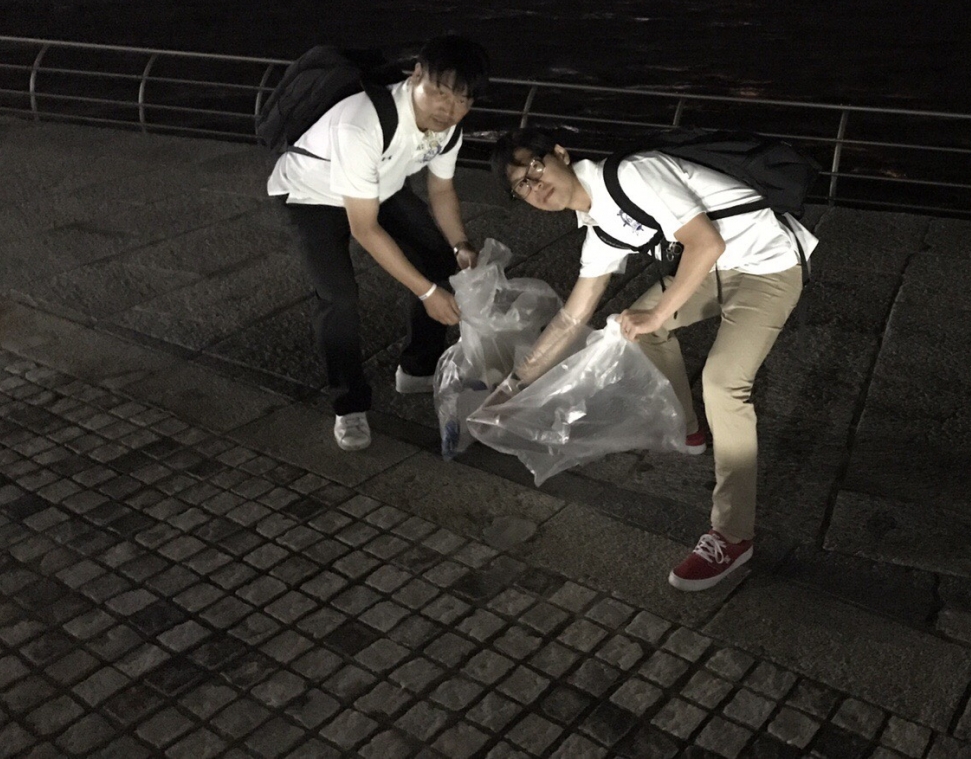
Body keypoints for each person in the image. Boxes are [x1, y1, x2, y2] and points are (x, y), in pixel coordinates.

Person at [488, 129, 816, 591]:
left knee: (723, 384)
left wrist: (657, 313)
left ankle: (732, 535)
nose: (536, 186)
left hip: (768, 265)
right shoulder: (599, 227)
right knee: (638, 330)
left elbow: (706, 243)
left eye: (536, 168)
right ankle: (690, 429)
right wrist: (512, 388)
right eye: (521, 185)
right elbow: (571, 318)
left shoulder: (632, 175)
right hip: (715, 270)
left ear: (561, 154)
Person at [267, 35, 490, 451]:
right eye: (440, 93)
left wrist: (460, 244)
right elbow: (365, 229)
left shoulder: (448, 129)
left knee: (438, 258)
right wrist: (427, 293)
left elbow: (441, 189)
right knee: (338, 297)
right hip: (312, 193)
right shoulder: (363, 122)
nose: (449, 109)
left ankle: (417, 369)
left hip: (379, 186)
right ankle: (348, 405)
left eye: (462, 100)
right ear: (416, 75)